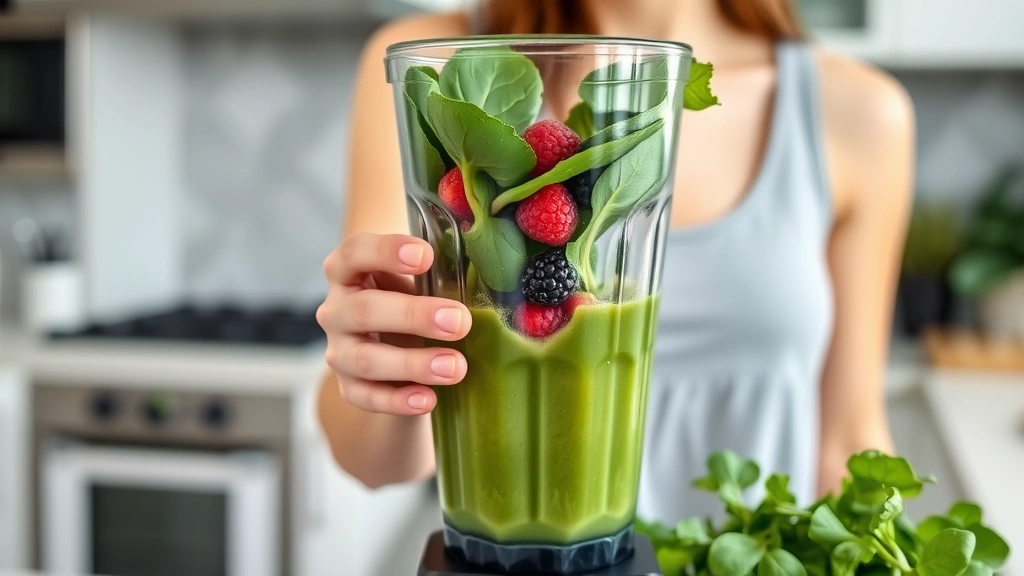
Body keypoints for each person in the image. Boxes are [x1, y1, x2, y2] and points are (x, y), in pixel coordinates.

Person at [315, 0, 914, 524]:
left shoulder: (860, 111)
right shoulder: (438, 66)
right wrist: (392, 367)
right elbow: (372, 458)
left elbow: (849, 440)